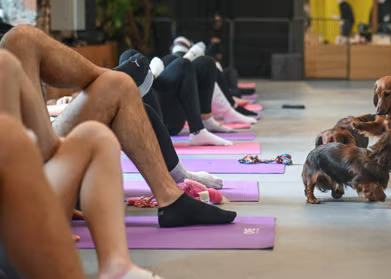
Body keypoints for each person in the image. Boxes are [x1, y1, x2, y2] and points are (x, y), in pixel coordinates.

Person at [1, 25, 237, 228]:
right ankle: (128, 78)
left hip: (34, 153)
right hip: (19, 179)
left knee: (22, 39)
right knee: (125, 84)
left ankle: (172, 199)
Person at [0, 49, 162, 278]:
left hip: (26, 185)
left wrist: (48, 198)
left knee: (95, 136)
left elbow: (49, 145)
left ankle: (117, 266)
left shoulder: (7, 63)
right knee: (12, 138)